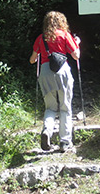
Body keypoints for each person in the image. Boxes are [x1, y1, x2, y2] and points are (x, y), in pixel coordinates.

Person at [29, 11, 81, 152]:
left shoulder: (41, 38)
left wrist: (41, 53)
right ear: (61, 22)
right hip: (62, 71)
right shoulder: (65, 35)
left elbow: (32, 60)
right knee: (65, 107)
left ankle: (47, 131)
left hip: (45, 72)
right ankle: (65, 142)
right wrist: (77, 43)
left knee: (50, 107)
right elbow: (76, 56)